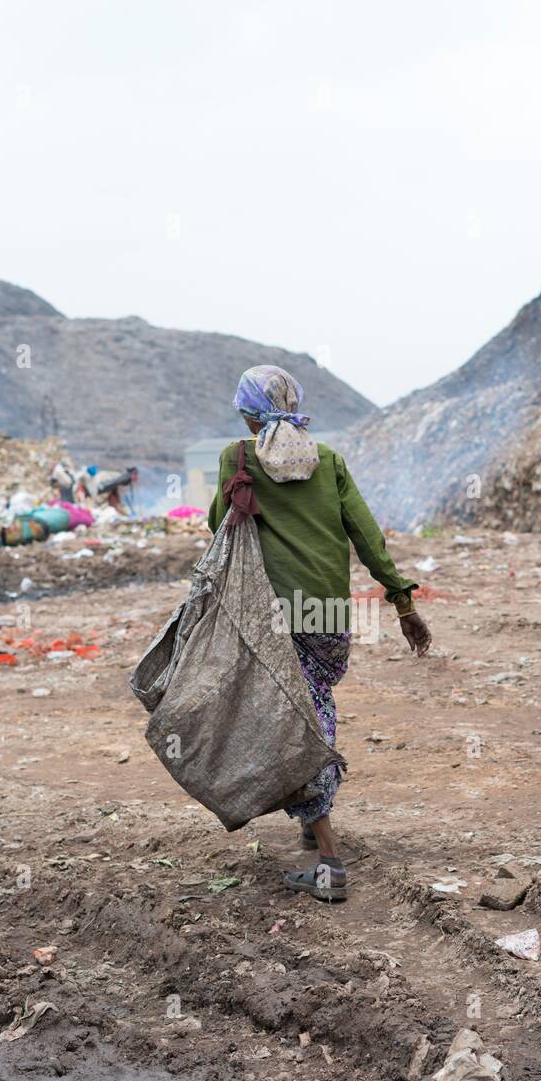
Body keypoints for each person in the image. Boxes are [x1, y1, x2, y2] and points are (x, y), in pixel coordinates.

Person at [208, 365, 431, 903]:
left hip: (275, 615)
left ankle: (330, 864)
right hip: (328, 613)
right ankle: (312, 822)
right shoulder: (328, 460)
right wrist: (402, 601)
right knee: (316, 707)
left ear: (245, 412)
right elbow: (367, 534)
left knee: (297, 725)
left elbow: (217, 524)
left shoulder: (236, 458)